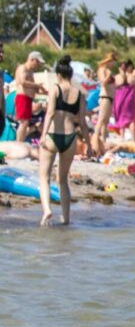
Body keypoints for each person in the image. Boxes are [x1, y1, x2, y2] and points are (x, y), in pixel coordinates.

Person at [37, 55, 86, 226]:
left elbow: (50, 112)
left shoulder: (55, 88)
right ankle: (66, 218)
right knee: (63, 180)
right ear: (71, 76)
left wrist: (43, 135)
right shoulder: (79, 93)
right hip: (70, 138)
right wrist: (88, 142)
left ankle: (47, 210)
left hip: (52, 136)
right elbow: (83, 121)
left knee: (43, 176)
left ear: (58, 75)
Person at [14, 51, 46, 143]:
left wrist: (44, 91)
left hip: (28, 98)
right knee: (23, 123)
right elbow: (23, 82)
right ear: (32, 59)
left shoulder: (31, 72)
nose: (38, 65)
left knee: (26, 123)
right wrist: (37, 85)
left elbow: (34, 89)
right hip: (22, 97)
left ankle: (21, 141)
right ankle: (18, 143)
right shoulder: (22, 68)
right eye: (37, 62)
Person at [92, 52, 118, 155]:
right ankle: (95, 141)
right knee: (101, 119)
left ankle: (102, 141)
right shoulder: (102, 70)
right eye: (113, 62)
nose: (113, 64)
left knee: (105, 121)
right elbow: (103, 83)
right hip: (105, 96)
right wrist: (109, 76)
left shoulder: (108, 70)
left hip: (110, 96)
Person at [112, 60, 135, 140]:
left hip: (119, 100)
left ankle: (122, 137)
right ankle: (133, 138)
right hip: (129, 100)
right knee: (131, 119)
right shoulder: (132, 77)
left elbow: (113, 90)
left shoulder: (116, 77)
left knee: (121, 118)